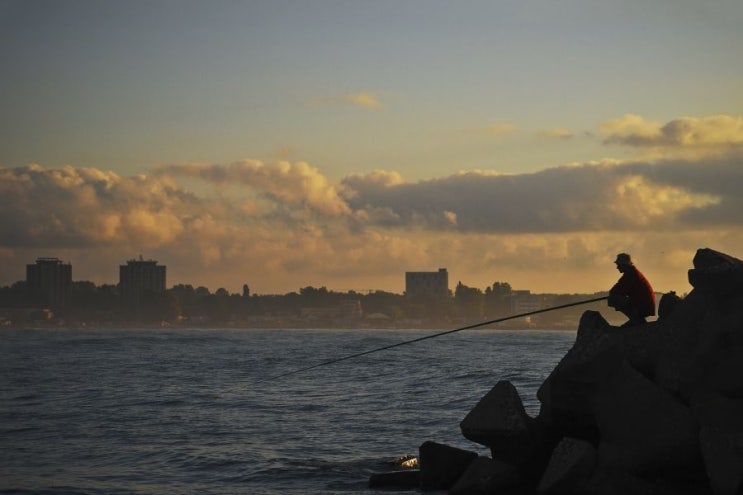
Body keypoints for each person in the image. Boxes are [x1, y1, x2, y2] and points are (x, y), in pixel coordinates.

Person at [608, 253, 656, 326]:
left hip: (643, 305)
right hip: (645, 304)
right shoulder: (632, 273)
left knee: (613, 298)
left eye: (618, 265)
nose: (617, 267)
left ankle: (636, 319)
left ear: (624, 265)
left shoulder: (630, 275)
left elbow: (615, 291)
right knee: (615, 297)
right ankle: (636, 320)